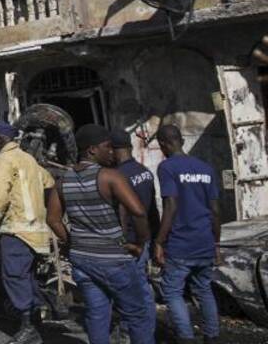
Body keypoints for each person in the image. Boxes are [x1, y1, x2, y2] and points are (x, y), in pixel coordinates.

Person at [46, 124, 152, 344]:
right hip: (113, 260)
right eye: (108, 147)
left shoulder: (63, 181)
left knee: (97, 314)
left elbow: (53, 220)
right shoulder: (111, 177)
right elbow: (139, 211)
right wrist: (141, 243)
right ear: (92, 150)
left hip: (82, 260)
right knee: (138, 314)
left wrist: (71, 241)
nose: (113, 152)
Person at [0, 122, 54, 344]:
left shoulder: (2, 160)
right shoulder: (28, 159)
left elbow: (1, 197)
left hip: (17, 229)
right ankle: (36, 320)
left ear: (1, 139)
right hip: (36, 230)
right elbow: (49, 182)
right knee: (26, 276)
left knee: (14, 276)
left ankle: (29, 329)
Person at [154, 124, 221, 344]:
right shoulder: (206, 168)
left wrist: (159, 241)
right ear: (181, 140)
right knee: (204, 290)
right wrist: (216, 243)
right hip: (204, 242)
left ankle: (186, 338)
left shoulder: (167, 168)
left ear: (162, 143)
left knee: (173, 292)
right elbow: (215, 211)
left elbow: (171, 205)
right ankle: (211, 336)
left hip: (181, 244)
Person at [111, 129, 160, 335]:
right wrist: (156, 239)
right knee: (142, 285)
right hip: (145, 238)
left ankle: (135, 330)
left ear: (112, 151)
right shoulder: (144, 171)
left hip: (130, 241)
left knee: (131, 290)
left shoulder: (117, 177)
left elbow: (124, 212)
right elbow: (153, 210)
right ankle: (147, 328)